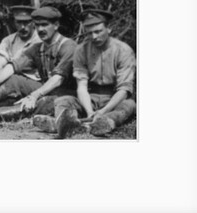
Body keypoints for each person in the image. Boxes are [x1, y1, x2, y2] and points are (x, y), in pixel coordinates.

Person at [33, 8, 137, 139]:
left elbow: (124, 90)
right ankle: (68, 123)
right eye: (89, 33)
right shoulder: (81, 50)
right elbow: (81, 86)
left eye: (98, 31)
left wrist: (103, 111)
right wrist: (89, 111)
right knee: (63, 100)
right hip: (90, 97)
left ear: (108, 29)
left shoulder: (123, 51)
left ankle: (104, 122)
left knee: (129, 105)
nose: (94, 37)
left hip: (114, 97)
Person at [0, 5, 40, 76]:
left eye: (26, 22)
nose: (22, 27)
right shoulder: (8, 41)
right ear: (14, 22)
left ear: (33, 23)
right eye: (19, 22)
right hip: (12, 78)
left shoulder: (41, 40)